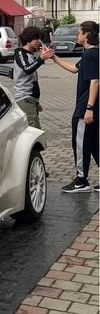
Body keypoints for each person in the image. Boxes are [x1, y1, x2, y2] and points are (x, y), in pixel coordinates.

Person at [50, 20, 99, 193]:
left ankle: (81, 180)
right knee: (93, 144)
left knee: (80, 144)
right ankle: (82, 179)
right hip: (92, 109)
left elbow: (95, 82)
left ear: (86, 34)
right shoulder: (92, 54)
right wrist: (54, 57)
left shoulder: (90, 55)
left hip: (86, 109)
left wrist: (89, 108)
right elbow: (73, 68)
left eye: (79, 32)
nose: (77, 35)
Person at [13, 26, 53, 128]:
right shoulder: (20, 53)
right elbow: (28, 69)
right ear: (28, 39)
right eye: (36, 39)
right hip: (24, 98)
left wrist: (36, 101)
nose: (39, 41)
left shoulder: (30, 54)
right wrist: (41, 59)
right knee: (33, 130)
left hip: (31, 99)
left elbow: (32, 77)